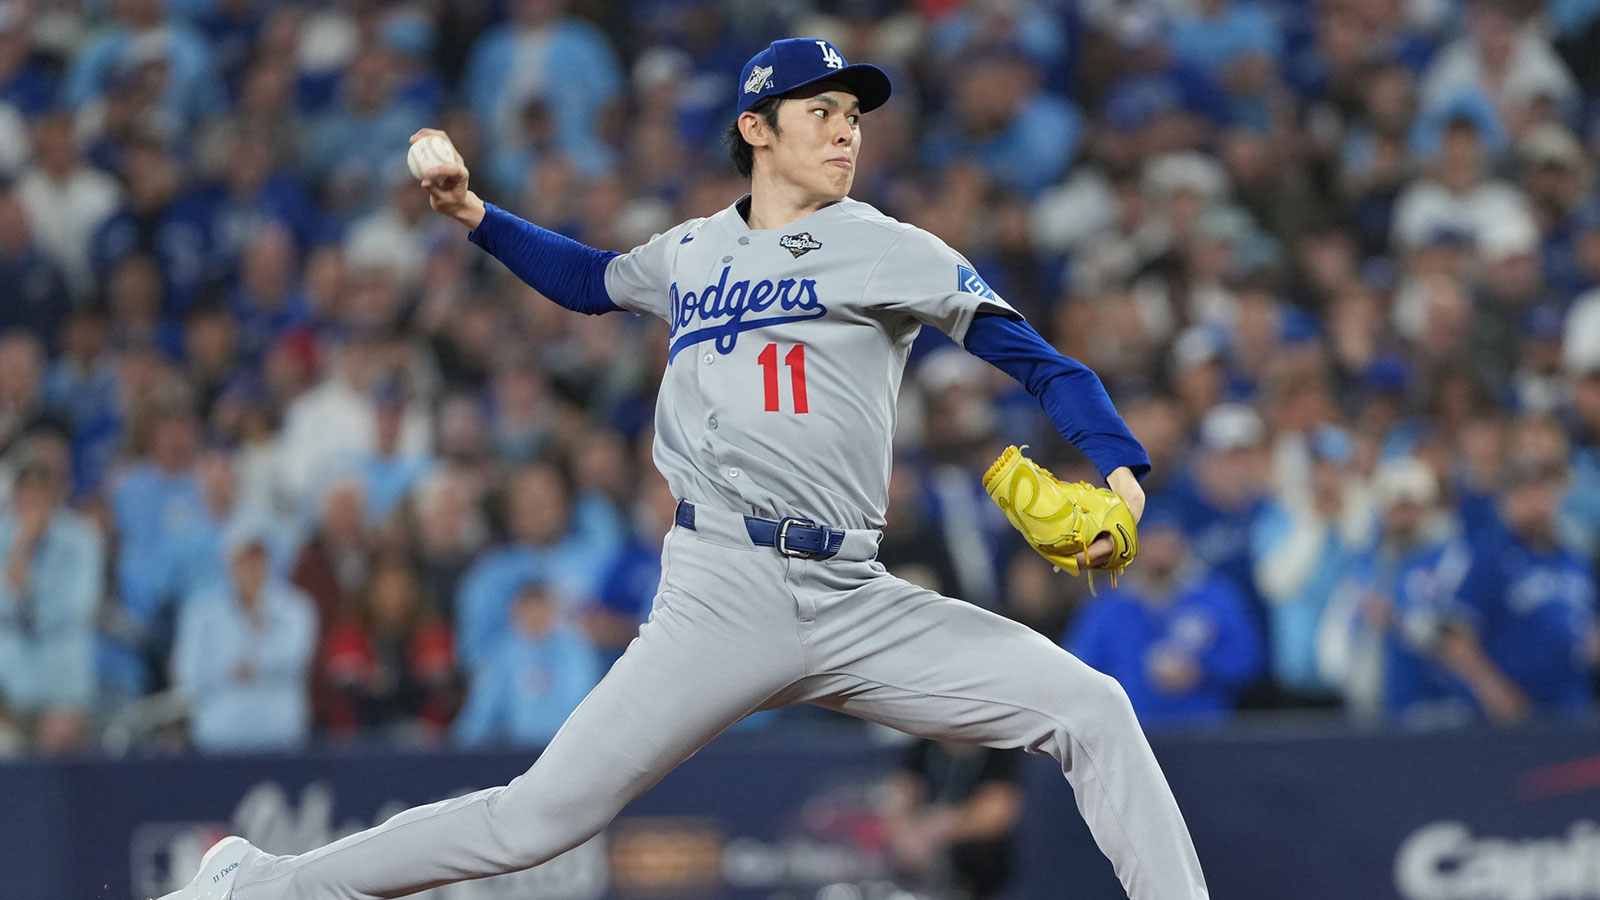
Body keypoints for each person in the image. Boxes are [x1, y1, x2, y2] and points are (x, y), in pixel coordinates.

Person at [163, 38, 1207, 900]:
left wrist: (1118, 468)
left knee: (1093, 710)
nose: (845, 129)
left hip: (856, 593)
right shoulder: (691, 252)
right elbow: (587, 281)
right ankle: (262, 886)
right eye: (820, 110)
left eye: (854, 113)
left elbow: (1037, 359)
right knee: (537, 819)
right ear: (756, 127)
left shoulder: (890, 247)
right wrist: (475, 216)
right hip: (722, 587)